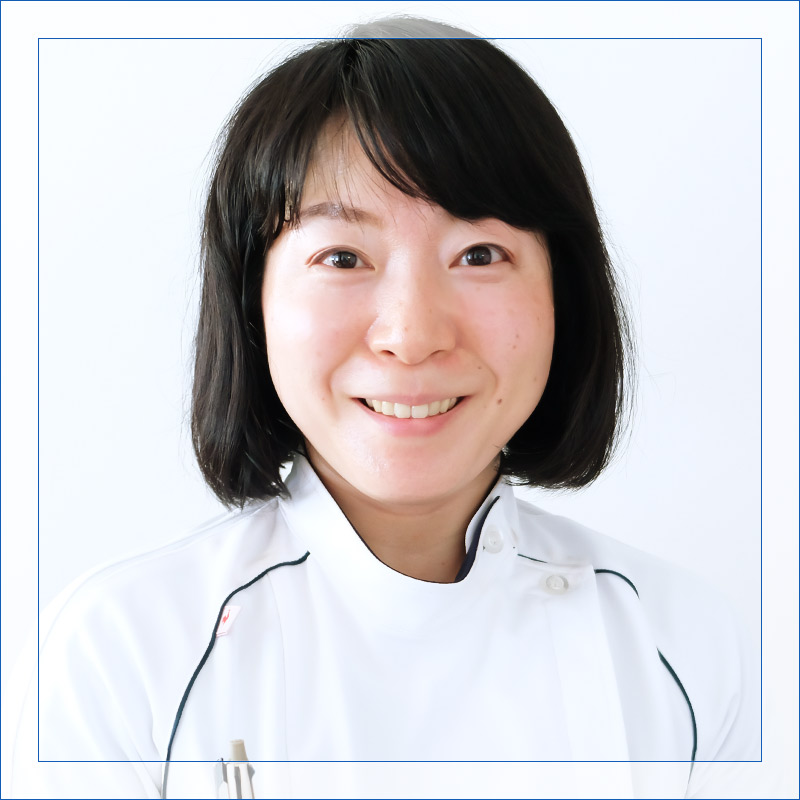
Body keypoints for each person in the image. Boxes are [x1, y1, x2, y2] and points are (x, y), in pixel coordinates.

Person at [9, 19, 759, 800]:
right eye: (342, 257)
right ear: (251, 299)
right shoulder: (124, 654)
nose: (411, 333)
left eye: (479, 254)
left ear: (562, 295)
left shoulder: (684, 647)